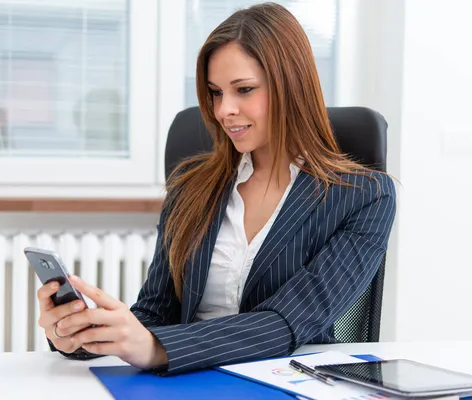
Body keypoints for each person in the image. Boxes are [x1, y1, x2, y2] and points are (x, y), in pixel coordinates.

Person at [36, 2, 397, 375]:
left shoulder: (365, 196)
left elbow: (289, 321)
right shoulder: (191, 186)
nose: (224, 110)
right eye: (215, 92)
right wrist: (80, 333)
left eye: (244, 89)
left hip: (293, 381)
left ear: (292, 85)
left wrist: (159, 348)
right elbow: (155, 312)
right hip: (187, 379)